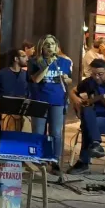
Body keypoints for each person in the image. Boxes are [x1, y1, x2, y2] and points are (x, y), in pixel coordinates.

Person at [67, 59, 105, 175]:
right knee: (87, 112)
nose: (96, 77)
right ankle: (95, 144)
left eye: (100, 74)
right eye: (93, 74)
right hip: (93, 117)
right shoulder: (89, 81)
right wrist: (76, 99)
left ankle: (83, 162)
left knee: (87, 125)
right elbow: (73, 91)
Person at [28, 34, 72, 170]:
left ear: (56, 46)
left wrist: (67, 79)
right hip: (39, 100)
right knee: (39, 131)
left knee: (56, 132)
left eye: (52, 44)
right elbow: (36, 79)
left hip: (57, 101)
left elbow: (69, 80)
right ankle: (39, 159)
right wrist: (48, 64)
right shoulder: (34, 62)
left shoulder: (64, 62)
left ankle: (55, 160)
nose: (50, 47)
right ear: (41, 47)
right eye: (46, 44)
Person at [0, 48, 29, 147]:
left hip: (21, 111)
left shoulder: (26, 75)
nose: (27, 58)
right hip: (4, 110)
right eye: (24, 56)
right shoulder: (1, 74)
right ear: (16, 59)